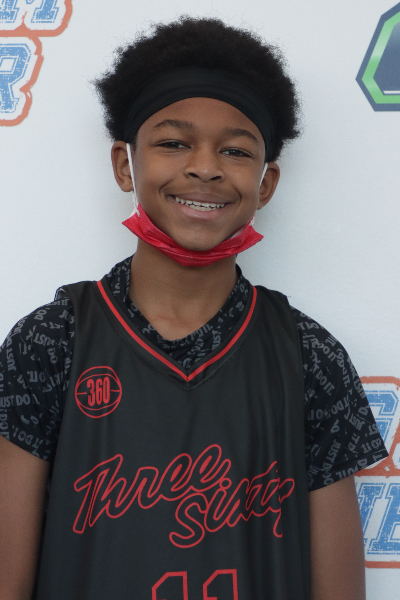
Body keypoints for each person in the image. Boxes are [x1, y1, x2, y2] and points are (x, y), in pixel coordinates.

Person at [0, 16, 387, 600]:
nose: (205, 166)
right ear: (125, 164)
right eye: (174, 143)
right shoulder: (53, 340)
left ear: (266, 183)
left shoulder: (309, 355)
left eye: (235, 150)